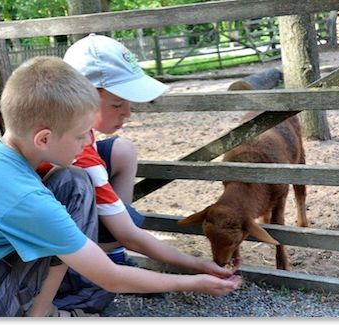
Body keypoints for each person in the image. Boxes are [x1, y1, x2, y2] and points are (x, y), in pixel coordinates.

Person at [0, 56, 242, 317]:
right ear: (44, 139)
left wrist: (198, 264)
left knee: (71, 181)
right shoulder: (25, 197)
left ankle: (42, 308)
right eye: (81, 134)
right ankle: (38, 315)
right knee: (76, 189)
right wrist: (193, 282)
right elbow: (111, 278)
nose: (89, 141)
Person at [36, 34, 243, 314]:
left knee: (122, 152)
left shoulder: (68, 131)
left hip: (50, 223)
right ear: (83, 97)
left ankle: (112, 254)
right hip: (43, 247)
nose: (128, 114)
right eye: (118, 104)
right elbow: (131, 234)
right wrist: (195, 273)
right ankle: (68, 291)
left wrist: (198, 265)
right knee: (119, 231)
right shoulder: (79, 154)